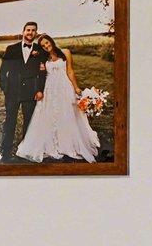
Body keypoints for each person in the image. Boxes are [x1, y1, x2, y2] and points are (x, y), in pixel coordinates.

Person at [16, 34, 102, 162]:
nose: (46, 46)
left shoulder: (65, 52)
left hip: (65, 87)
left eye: (47, 42)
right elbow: (38, 74)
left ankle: (68, 141)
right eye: (43, 45)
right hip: (50, 89)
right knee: (49, 115)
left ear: (51, 40)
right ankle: (52, 142)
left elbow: (70, 71)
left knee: (68, 113)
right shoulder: (43, 58)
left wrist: (76, 87)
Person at [0, 21, 48, 161]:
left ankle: (25, 150)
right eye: (28, 30)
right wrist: (5, 88)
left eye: (33, 30)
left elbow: (42, 72)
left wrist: (39, 89)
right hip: (12, 92)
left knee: (29, 122)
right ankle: (5, 152)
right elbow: (3, 71)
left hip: (31, 92)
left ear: (36, 33)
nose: (30, 32)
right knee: (10, 122)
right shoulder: (11, 48)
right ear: (23, 31)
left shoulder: (40, 50)